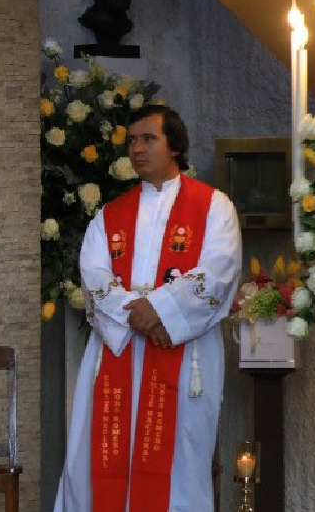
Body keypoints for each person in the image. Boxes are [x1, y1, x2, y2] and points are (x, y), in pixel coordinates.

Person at [55, 105, 241, 512]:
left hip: (183, 350)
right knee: (100, 453)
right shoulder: (109, 216)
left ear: (175, 146)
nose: (137, 149)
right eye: (132, 141)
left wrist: (159, 312)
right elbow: (94, 275)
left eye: (149, 139)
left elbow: (219, 270)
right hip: (117, 348)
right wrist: (139, 313)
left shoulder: (214, 207)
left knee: (181, 456)